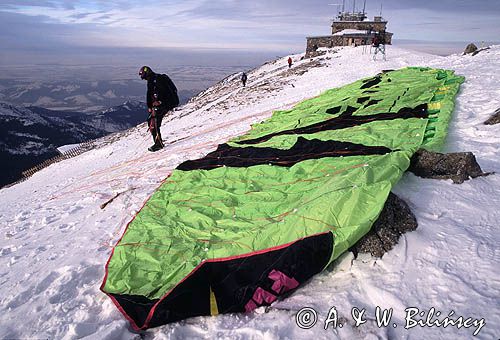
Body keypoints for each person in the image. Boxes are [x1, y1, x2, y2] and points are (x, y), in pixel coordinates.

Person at [138, 66, 179, 152]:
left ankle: (158, 144)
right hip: (161, 104)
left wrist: (160, 102)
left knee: (154, 123)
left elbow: (166, 93)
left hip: (165, 104)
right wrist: (150, 106)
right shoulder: (152, 80)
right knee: (152, 121)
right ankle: (158, 142)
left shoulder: (157, 80)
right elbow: (150, 95)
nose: (144, 79)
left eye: (144, 76)